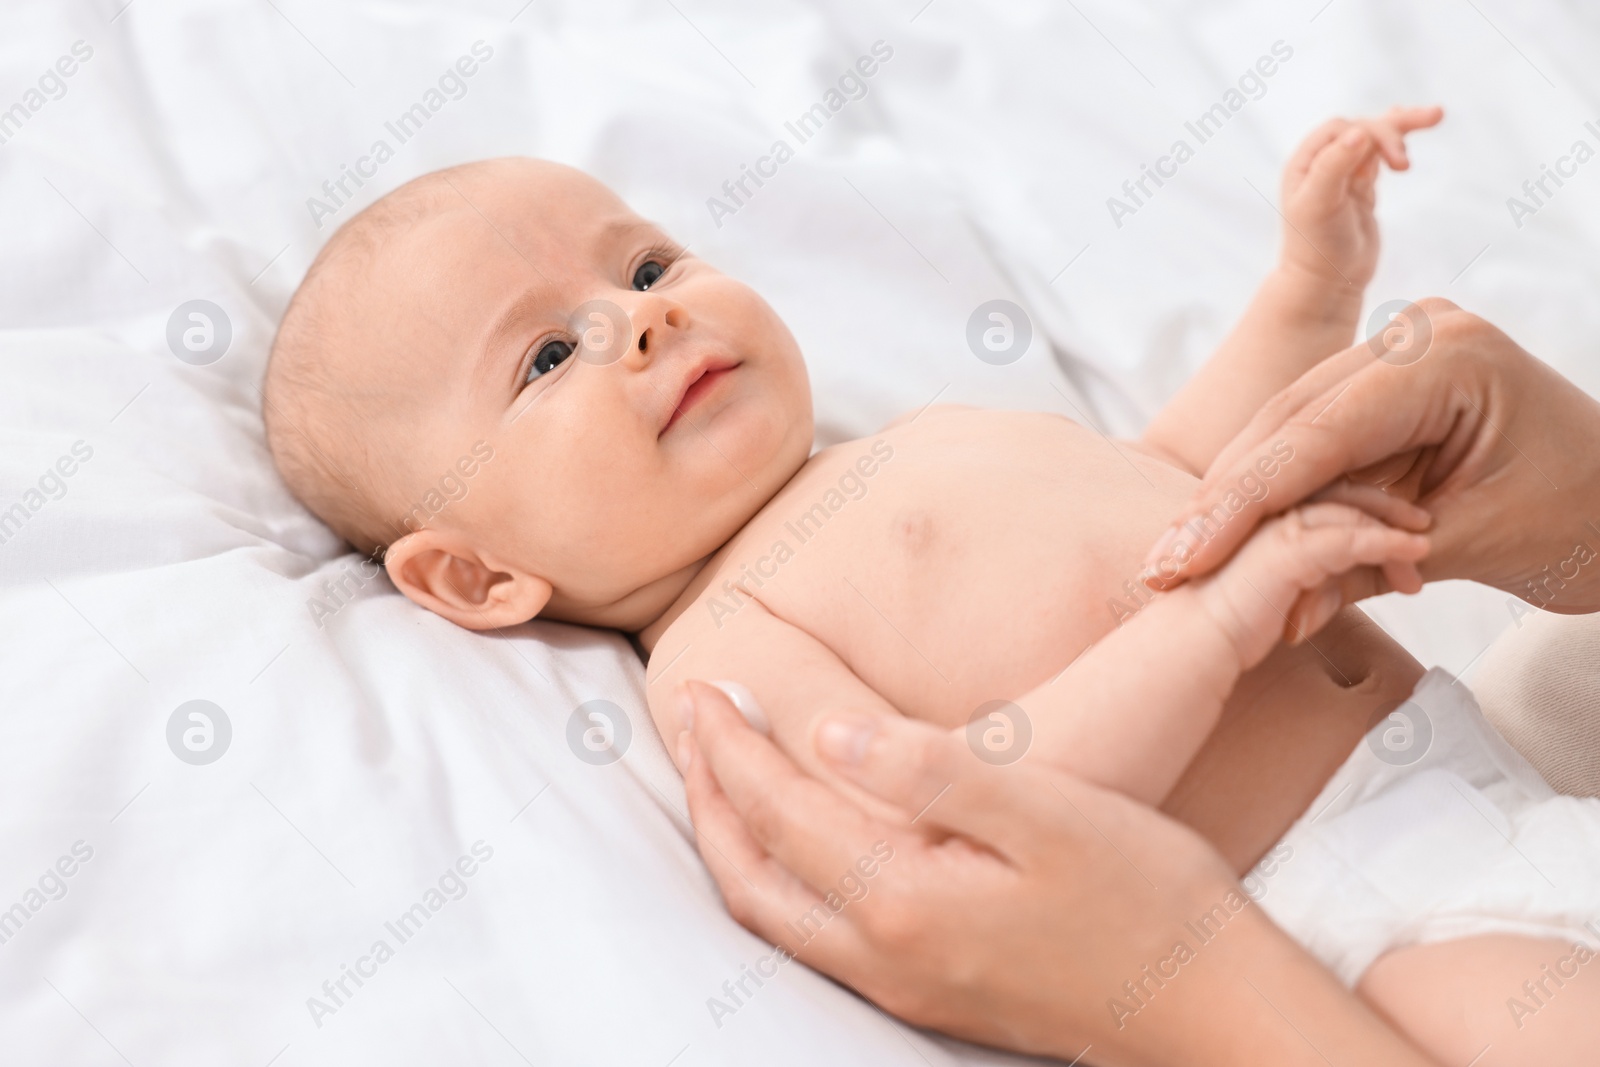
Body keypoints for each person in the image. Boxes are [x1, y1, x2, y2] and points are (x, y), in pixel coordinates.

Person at [678, 300, 1600, 1065]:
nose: (642, 318)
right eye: (551, 356)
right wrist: (1211, 625)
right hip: (1359, 912)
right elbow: (949, 820)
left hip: (1506, 796)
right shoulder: (718, 630)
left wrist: (1309, 289)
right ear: (521, 576)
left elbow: (1183, 476)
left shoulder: (918, 433)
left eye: (648, 264)